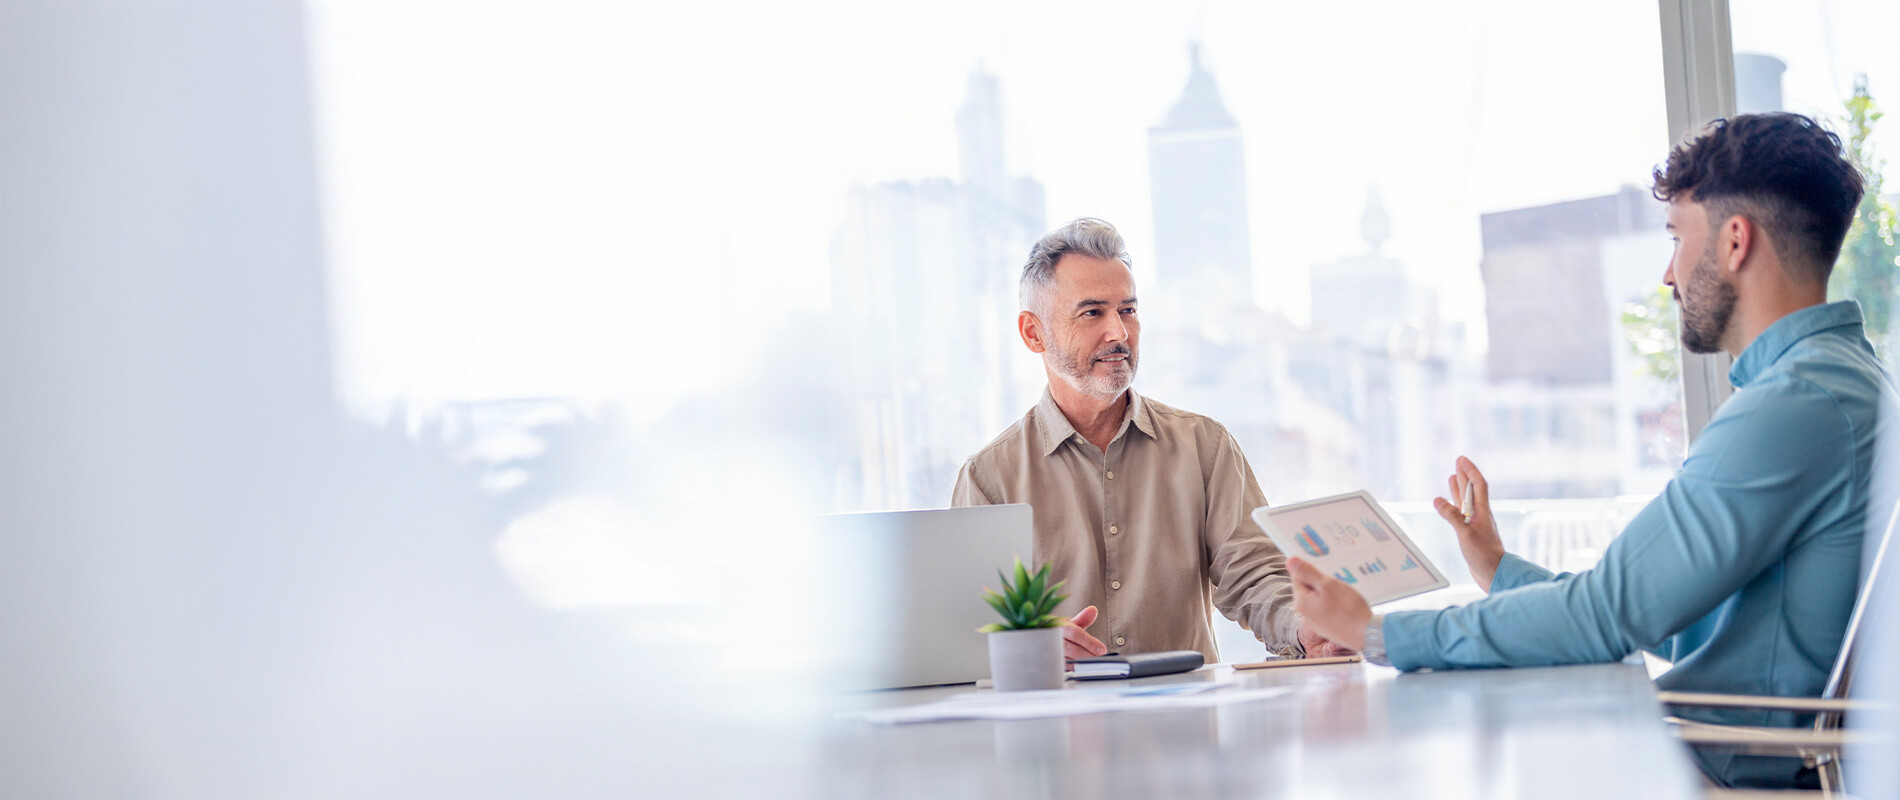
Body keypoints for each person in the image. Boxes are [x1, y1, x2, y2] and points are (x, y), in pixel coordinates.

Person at [1287, 113, 1890, 789]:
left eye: (1676, 239)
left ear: (1735, 241)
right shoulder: (1838, 386)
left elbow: (1609, 616)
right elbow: (1661, 613)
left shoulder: (1792, 407)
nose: (1668, 274)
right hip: (1726, 753)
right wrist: (1499, 570)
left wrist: (1380, 635)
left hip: (1718, 768)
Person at [953, 217, 1345, 663]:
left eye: (1129, 310)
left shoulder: (1204, 446)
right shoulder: (988, 478)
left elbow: (1254, 573)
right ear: (1033, 332)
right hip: (1059, 726)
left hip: (1189, 723)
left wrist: (1302, 626)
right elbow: (968, 626)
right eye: (1092, 312)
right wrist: (1027, 645)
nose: (1119, 333)